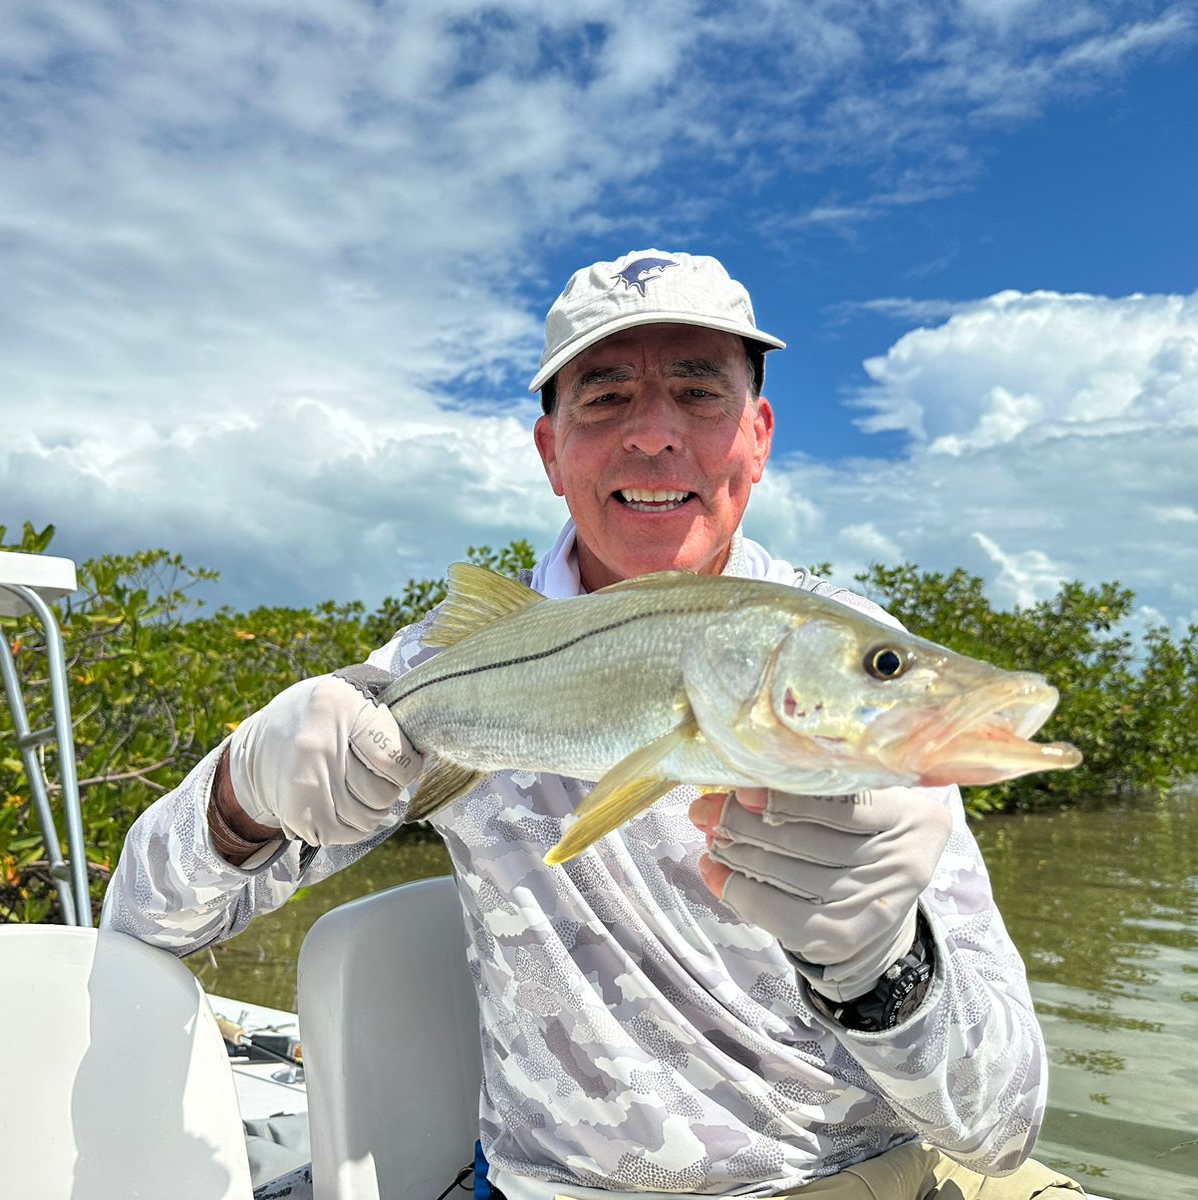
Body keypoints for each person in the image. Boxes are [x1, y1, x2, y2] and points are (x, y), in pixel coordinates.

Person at [102, 250, 1082, 1200]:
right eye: (606, 396)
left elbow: (999, 1126)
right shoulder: (431, 674)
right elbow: (142, 926)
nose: (653, 437)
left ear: (759, 435)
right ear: (551, 451)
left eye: (699, 393)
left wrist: (886, 970)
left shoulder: (862, 668)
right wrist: (241, 798)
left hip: (869, 1179)